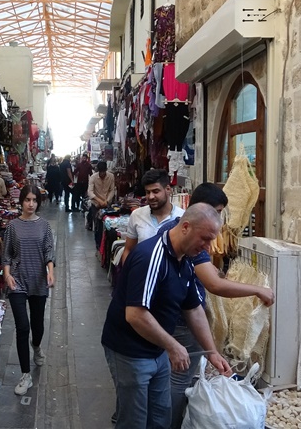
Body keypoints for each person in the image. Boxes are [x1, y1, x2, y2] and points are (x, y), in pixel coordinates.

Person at [101, 203, 232, 429]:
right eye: (205, 239)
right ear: (186, 227)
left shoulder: (185, 260)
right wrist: (172, 346)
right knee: (134, 420)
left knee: (161, 416)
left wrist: (211, 352)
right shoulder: (151, 256)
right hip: (129, 350)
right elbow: (135, 314)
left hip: (156, 348)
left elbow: (193, 309)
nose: (208, 248)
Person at [155, 183, 275, 428]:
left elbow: (200, 286)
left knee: (177, 377)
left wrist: (211, 351)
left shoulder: (173, 227)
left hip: (180, 315)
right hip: (181, 321)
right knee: (179, 380)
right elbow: (213, 285)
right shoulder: (191, 238)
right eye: (218, 211)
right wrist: (257, 289)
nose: (219, 218)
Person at [2, 185, 55, 395]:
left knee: (37, 325)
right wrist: (7, 275)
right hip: (18, 280)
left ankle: (37, 346)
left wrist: (50, 272)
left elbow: (49, 250)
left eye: (34, 200)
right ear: (21, 201)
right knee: (22, 327)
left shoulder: (44, 226)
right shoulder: (13, 226)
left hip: (38, 280)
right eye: (27, 200)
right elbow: (6, 254)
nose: (31, 204)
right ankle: (25, 375)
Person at [120, 169, 186, 265]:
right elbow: (129, 249)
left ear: (168, 190)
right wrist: (128, 275)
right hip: (142, 276)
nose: (151, 197)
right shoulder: (137, 215)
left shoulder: (182, 217)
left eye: (156, 191)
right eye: (147, 192)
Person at [86, 161, 115, 231]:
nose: (102, 174)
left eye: (103, 172)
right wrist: (99, 201)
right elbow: (90, 192)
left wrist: (107, 201)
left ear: (106, 170)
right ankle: (98, 239)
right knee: (97, 224)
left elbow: (112, 190)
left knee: (108, 223)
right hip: (96, 204)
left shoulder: (111, 176)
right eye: (100, 172)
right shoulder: (93, 177)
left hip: (107, 203)